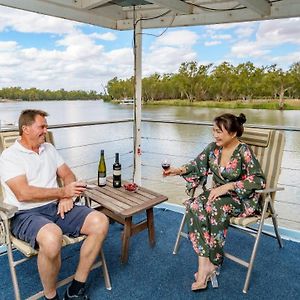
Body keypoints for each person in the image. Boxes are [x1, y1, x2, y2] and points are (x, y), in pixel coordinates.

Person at [0, 109, 109, 300]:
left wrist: (66, 197)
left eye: (46, 126)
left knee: (100, 221)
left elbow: (67, 175)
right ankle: (51, 296)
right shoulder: (10, 156)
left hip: (56, 207)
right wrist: (62, 192)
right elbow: (23, 193)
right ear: (25, 129)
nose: (46, 130)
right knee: (52, 237)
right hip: (25, 214)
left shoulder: (48, 148)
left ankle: (76, 288)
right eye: (41, 126)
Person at [163, 113, 265, 292]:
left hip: (240, 199)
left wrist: (229, 186)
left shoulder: (244, 152)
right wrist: (177, 170)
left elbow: (258, 180)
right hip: (216, 195)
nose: (215, 135)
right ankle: (205, 266)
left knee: (213, 207)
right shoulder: (213, 149)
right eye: (214, 131)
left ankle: (213, 261)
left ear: (233, 133)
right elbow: (196, 165)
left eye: (219, 132)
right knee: (194, 205)